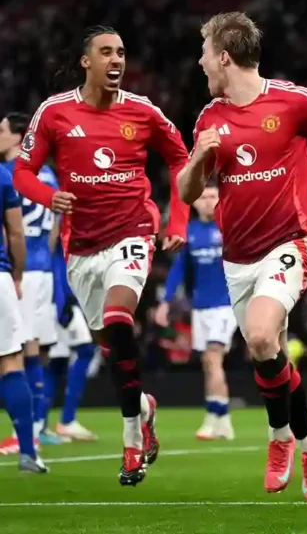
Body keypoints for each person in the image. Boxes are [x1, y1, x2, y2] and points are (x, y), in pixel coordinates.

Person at [176, 12, 307, 501]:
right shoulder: (210, 120)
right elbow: (187, 194)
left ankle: (278, 439)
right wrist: (196, 158)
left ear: (224, 57)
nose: (201, 61)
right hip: (238, 258)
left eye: (205, 52)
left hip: (289, 243)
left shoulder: (292, 101)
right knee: (266, 355)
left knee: (262, 335)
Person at [13, 26, 191, 486]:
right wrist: (47, 197)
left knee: (118, 320)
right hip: (81, 248)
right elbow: (23, 172)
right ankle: (145, 408)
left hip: (132, 231)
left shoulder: (142, 111)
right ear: (85, 61)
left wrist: (176, 223)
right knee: (111, 351)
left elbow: (180, 161)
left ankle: (131, 444)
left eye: (122, 52)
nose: (117, 60)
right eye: (107, 52)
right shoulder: (54, 113)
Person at [0, 112, 64, 448]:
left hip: (19, 271)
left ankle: (26, 434)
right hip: (44, 267)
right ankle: (40, 423)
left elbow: (13, 231)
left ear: (18, 137)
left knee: (19, 349)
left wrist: (17, 271)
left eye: (2, 131)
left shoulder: (10, 174)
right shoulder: (49, 174)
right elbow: (55, 226)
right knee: (36, 347)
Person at [155, 184, 236, 441]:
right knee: (208, 363)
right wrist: (165, 302)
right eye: (203, 197)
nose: (209, 201)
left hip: (226, 304)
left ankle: (214, 418)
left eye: (213, 196)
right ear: (195, 202)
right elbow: (179, 270)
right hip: (201, 307)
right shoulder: (190, 232)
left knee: (213, 358)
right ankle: (222, 420)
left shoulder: (230, 227)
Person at [0, 163, 47, 472]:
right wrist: (16, 274)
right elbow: (16, 232)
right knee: (10, 361)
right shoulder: (3, 176)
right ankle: (28, 453)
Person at [48, 240, 98, 442]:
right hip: (60, 299)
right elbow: (54, 256)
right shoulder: (59, 220)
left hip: (60, 296)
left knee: (56, 361)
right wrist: (62, 300)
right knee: (85, 351)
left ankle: (42, 424)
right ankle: (66, 420)